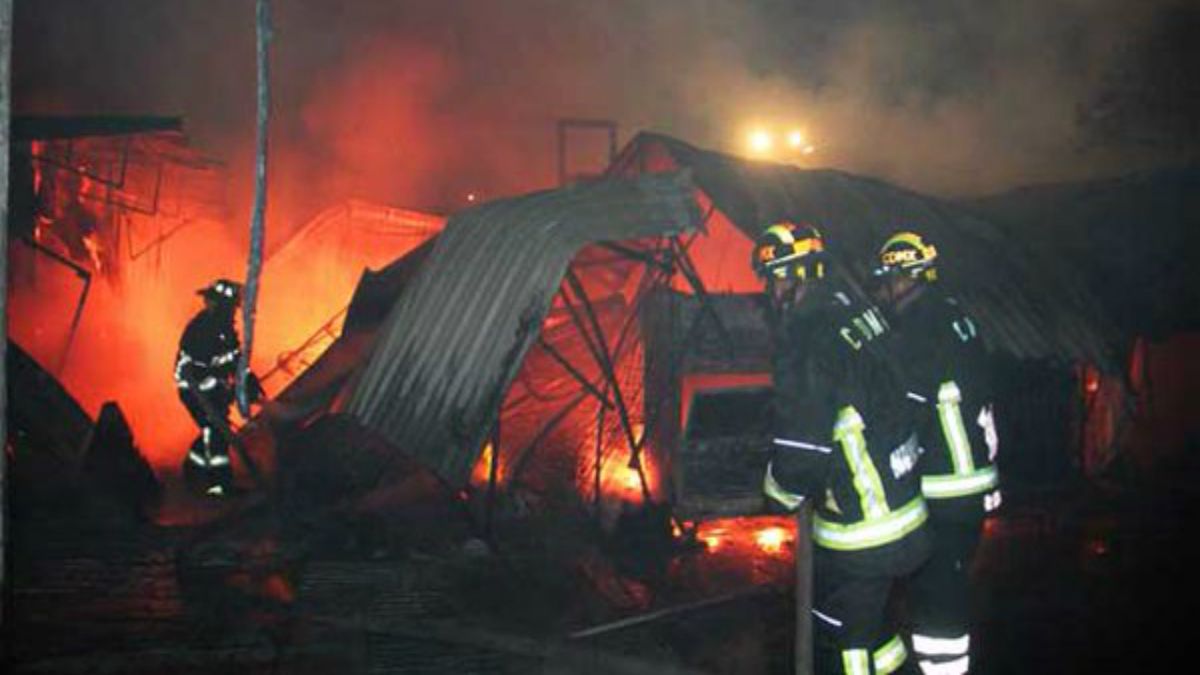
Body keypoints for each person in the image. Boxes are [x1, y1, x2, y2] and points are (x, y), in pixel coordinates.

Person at [754, 222, 931, 675]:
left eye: (773, 277)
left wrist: (776, 491)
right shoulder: (860, 311)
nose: (770, 291)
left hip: (864, 530)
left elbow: (801, 453)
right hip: (906, 510)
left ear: (792, 276)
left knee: (841, 640)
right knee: (873, 632)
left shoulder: (806, 337)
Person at [872, 231, 1001, 675]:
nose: (883, 291)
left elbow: (904, 412)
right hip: (971, 488)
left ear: (906, 279)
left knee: (937, 605)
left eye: (887, 280)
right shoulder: (956, 318)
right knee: (945, 594)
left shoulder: (917, 330)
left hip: (944, 491)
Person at [174, 278, 259, 497]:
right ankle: (219, 486)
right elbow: (200, 364)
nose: (233, 311)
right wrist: (220, 383)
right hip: (194, 389)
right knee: (216, 430)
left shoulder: (225, 330)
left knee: (212, 429)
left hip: (211, 387)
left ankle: (192, 471)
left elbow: (235, 359)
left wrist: (249, 380)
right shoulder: (201, 328)